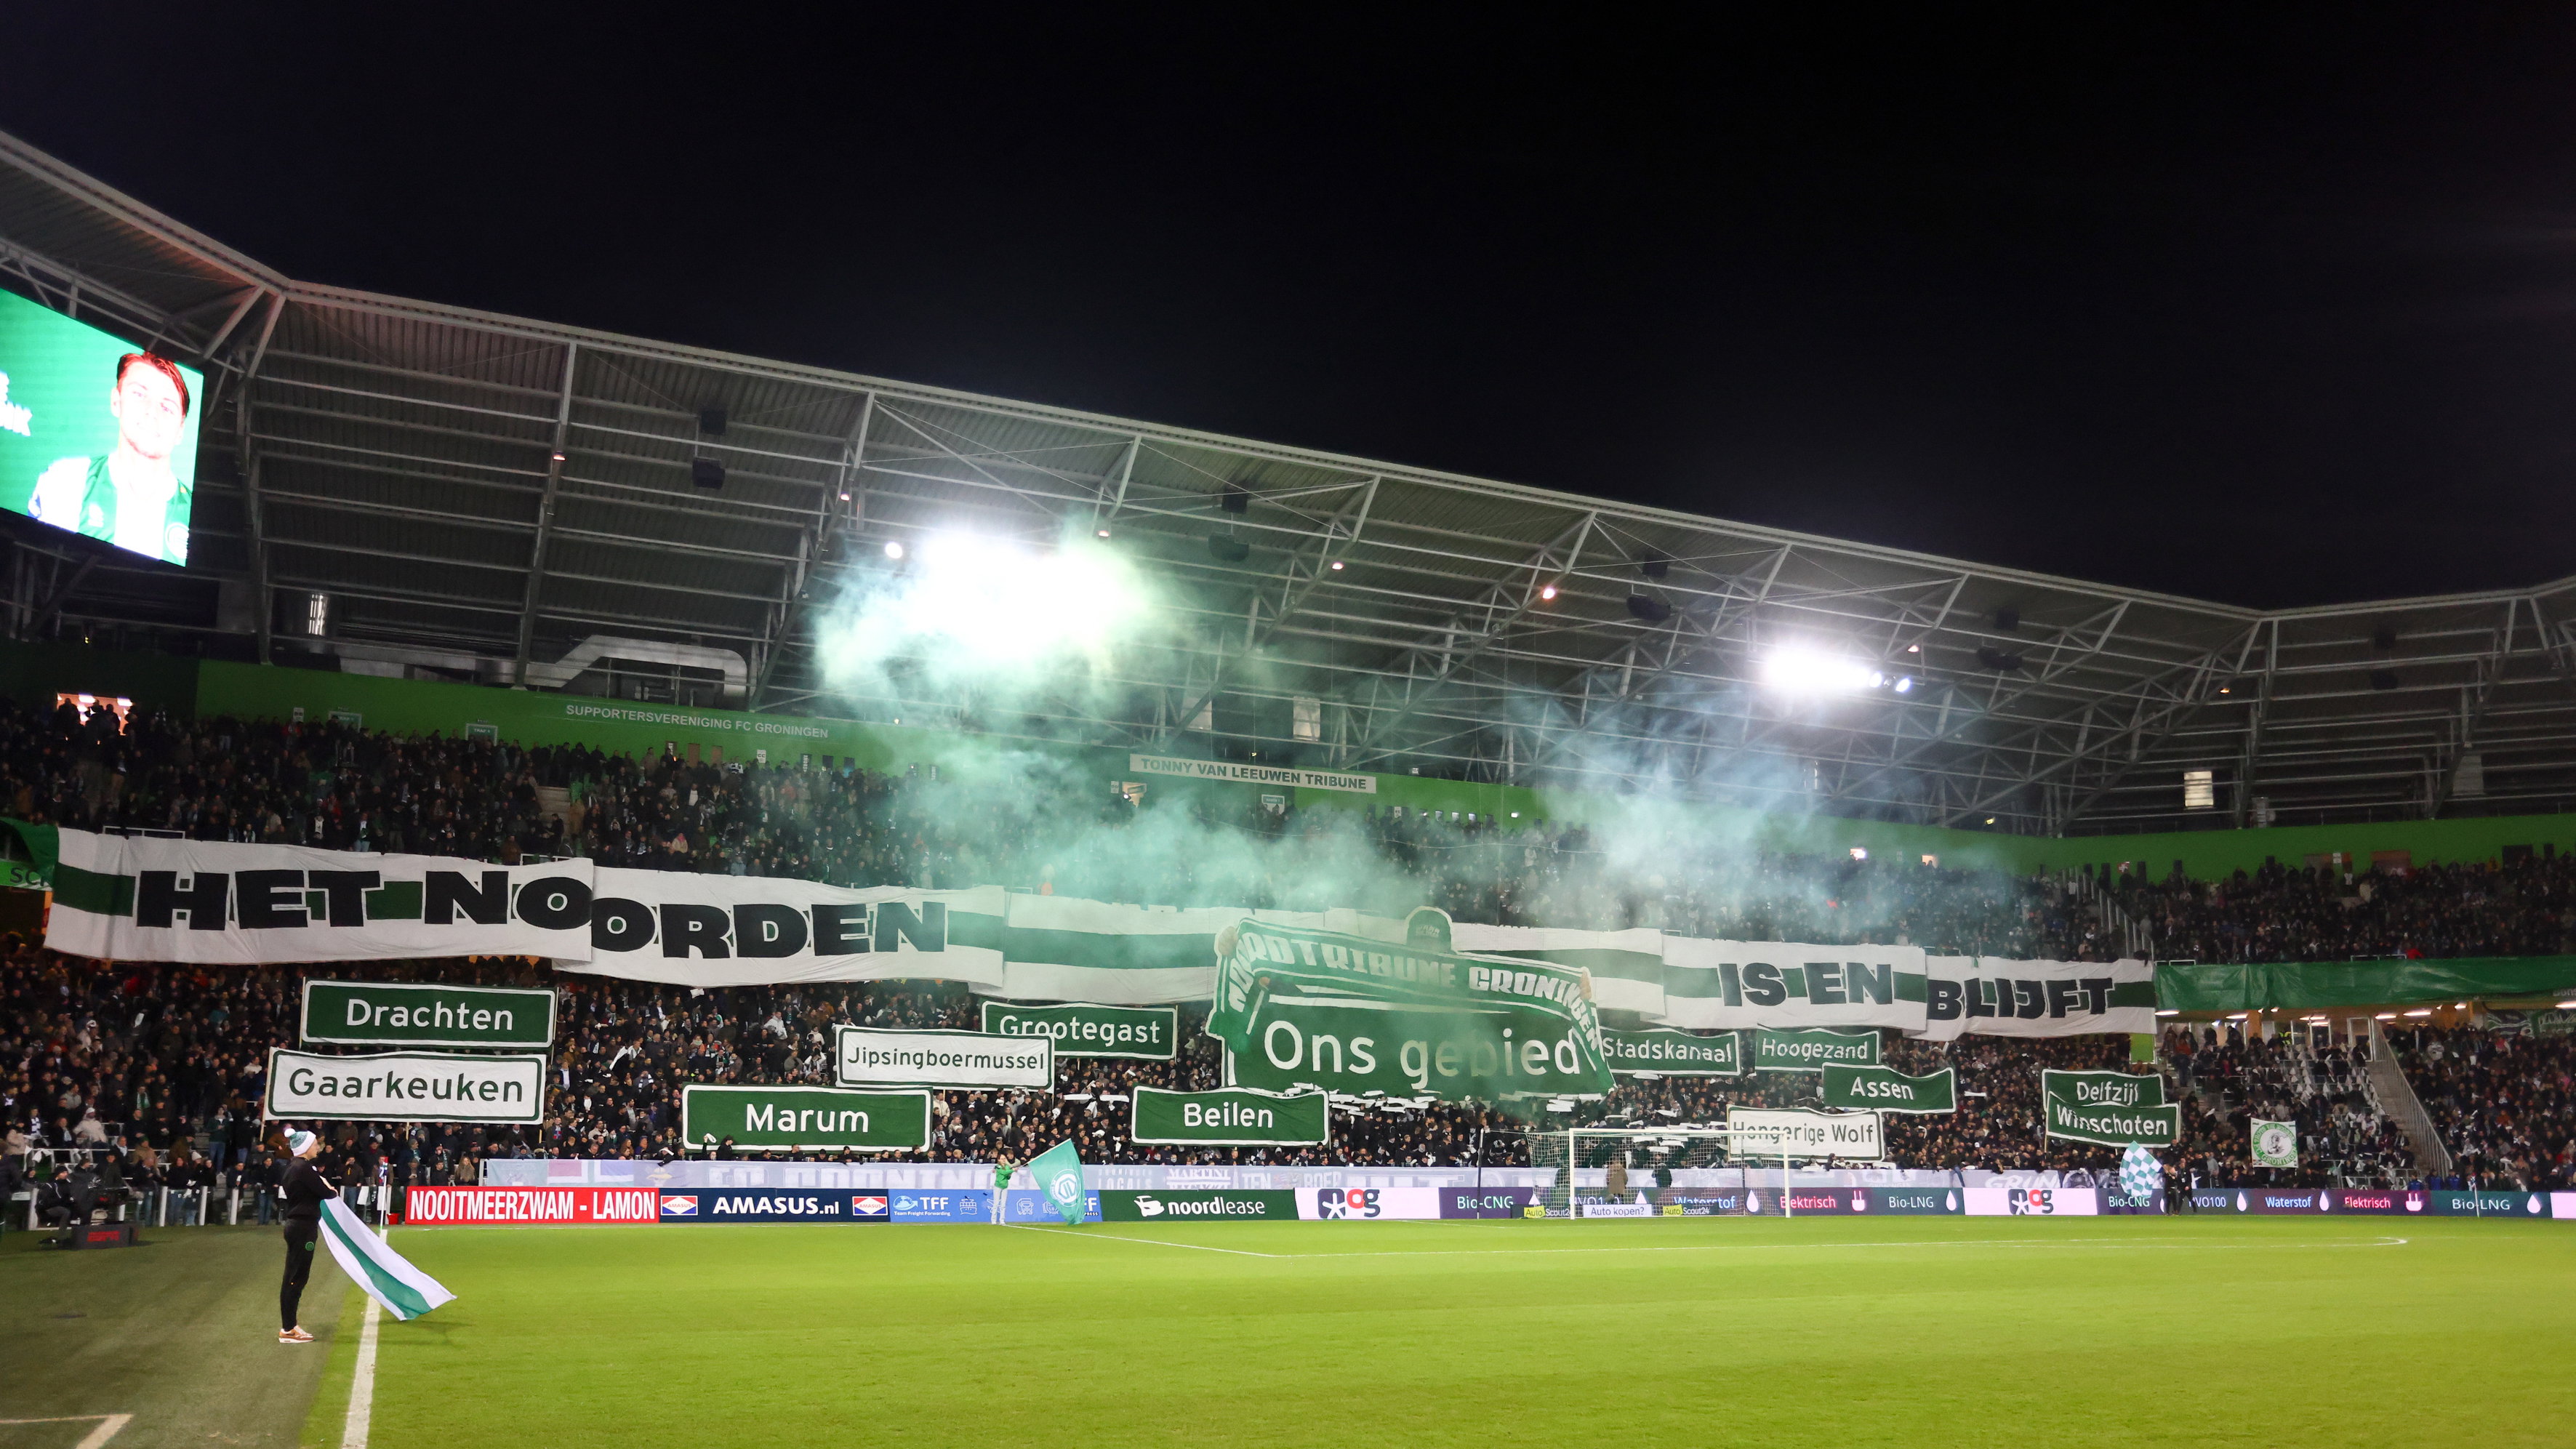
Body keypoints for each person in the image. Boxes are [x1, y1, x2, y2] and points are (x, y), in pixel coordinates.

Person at [25, 351, 193, 563]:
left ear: (181, 430)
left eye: (167, 407)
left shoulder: (193, 515)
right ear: (116, 401)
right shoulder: (65, 482)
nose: (152, 412)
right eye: (140, 394)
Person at [277, 1129, 335, 1344]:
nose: (318, 1147)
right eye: (314, 1144)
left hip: (296, 1226)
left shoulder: (292, 1168)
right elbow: (328, 1192)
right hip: (303, 1227)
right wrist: (330, 1188)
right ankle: (289, 1328)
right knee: (296, 1278)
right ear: (306, 1148)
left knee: (293, 1276)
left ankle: (289, 1326)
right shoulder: (304, 1169)